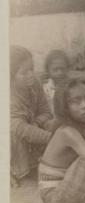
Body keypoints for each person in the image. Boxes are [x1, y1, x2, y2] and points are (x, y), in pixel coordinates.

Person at [10, 46, 58, 186]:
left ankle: (42, 161)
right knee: (13, 135)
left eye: (31, 68)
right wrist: (50, 138)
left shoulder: (34, 84)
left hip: (32, 126)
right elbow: (20, 128)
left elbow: (46, 111)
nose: (31, 74)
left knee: (54, 123)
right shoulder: (9, 97)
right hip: (16, 133)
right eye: (24, 72)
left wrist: (37, 122)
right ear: (11, 78)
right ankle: (18, 171)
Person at [43, 49, 71, 115]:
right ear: (48, 71)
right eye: (55, 70)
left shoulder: (72, 87)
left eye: (63, 69)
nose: (60, 73)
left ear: (67, 68)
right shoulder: (45, 90)